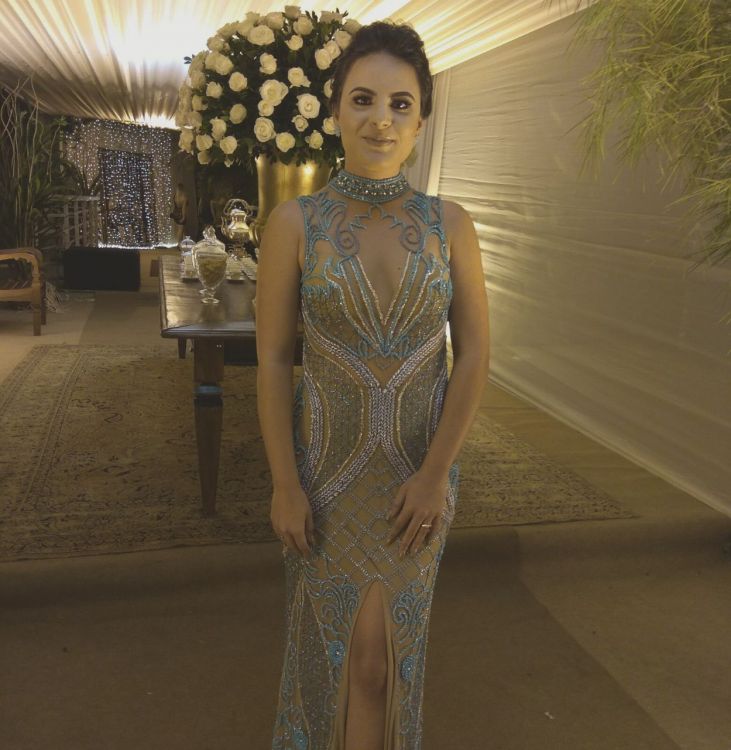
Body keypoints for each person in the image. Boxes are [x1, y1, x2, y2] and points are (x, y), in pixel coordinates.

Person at [256, 20, 490, 750]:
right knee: (345, 656)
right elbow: (273, 361)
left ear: (421, 121)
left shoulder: (451, 224)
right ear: (334, 112)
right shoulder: (295, 223)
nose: (380, 119)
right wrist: (284, 483)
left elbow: (474, 354)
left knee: (389, 660)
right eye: (362, 99)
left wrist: (436, 475)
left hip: (419, 477)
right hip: (325, 477)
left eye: (399, 104)